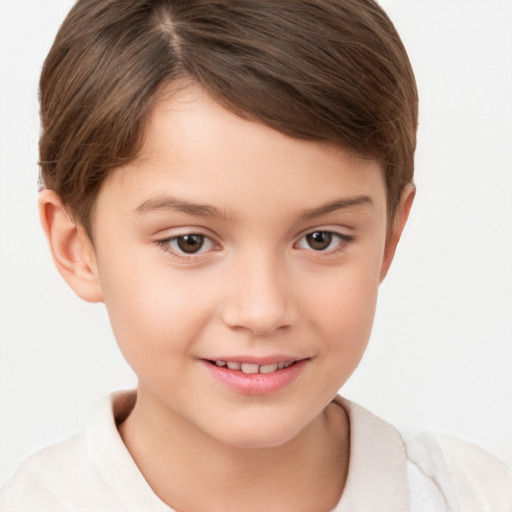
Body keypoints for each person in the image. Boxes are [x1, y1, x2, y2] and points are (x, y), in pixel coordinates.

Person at [1, 0, 511, 510]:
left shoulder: (477, 496)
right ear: (77, 247)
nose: (262, 311)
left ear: (390, 237)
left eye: (321, 239)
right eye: (190, 242)